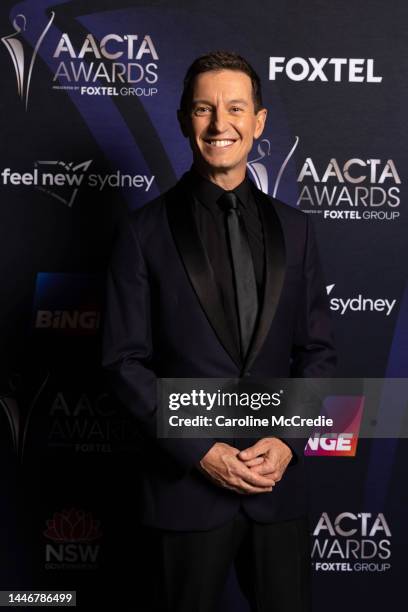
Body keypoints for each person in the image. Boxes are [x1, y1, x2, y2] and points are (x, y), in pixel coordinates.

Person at [103, 51, 336, 612]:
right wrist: (201, 450)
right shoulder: (142, 232)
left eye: (235, 108)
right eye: (204, 109)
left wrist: (285, 443)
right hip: (185, 494)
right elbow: (123, 362)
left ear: (258, 122)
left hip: (276, 492)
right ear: (185, 120)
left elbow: (319, 352)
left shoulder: (297, 230)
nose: (219, 124)